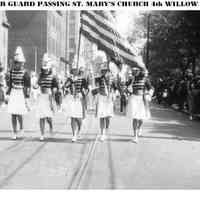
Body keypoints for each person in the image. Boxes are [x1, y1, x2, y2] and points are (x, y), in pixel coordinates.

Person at [7, 46, 31, 139]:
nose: (19, 65)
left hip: (20, 93)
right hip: (13, 92)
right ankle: (14, 132)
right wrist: (7, 94)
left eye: (20, 63)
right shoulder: (11, 72)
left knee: (19, 113)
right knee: (13, 113)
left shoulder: (25, 73)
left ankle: (21, 126)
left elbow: (27, 86)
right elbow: (9, 84)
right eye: (17, 63)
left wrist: (27, 97)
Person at [126, 68, 153, 143]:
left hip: (142, 99)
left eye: (136, 70)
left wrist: (149, 94)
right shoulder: (132, 79)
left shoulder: (145, 79)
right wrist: (127, 90)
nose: (134, 72)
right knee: (135, 118)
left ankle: (139, 128)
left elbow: (151, 88)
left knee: (141, 118)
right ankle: (135, 136)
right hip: (134, 99)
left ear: (139, 71)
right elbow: (126, 86)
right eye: (133, 71)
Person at [36, 53, 58, 141]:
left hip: (49, 97)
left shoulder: (53, 77)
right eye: (44, 69)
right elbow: (37, 84)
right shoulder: (40, 76)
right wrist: (35, 86)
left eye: (46, 69)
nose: (45, 70)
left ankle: (51, 125)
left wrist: (54, 92)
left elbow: (55, 87)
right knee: (41, 116)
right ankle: (42, 134)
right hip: (41, 97)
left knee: (48, 117)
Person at [95, 64, 115, 142]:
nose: (104, 72)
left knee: (107, 117)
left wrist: (112, 94)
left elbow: (115, 88)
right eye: (102, 71)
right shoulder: (98, 79)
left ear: (108, 71)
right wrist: (98, 90)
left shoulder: (112, 79)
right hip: (101, 98)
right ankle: (102, 133)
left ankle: (106, 129)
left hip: (109, 99)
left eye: (105, 71)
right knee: (101, 116)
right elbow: (95, 88)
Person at [68, 67, 89, 142]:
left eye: (82, 72)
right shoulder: (71, 79)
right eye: (79, 72)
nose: (80, 73)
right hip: (73, 99)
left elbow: (87, 90)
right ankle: (74, 135)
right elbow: (66, 86)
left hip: (80, 99)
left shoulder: (83, 79)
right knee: (73, 118)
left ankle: (79, 130)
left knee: (79, 119)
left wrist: (82, 94)